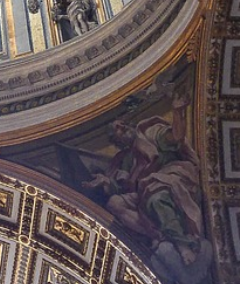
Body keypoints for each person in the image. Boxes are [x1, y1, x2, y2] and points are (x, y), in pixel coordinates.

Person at [83, 94, 204, 267]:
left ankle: (182, 244)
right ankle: (157, 234)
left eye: (123, 124)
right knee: (114, 203)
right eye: (118, 128)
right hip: (144, 191)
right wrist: (106, 182)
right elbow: (124, 187)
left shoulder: (150, 134)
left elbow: (175, 136)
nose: (123, 126)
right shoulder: (125, 159)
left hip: (171, 176)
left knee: (156, 196)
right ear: (116, 140)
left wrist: (178, 111)